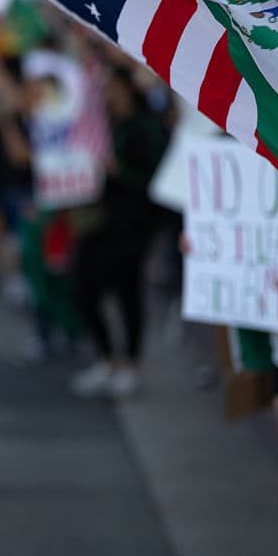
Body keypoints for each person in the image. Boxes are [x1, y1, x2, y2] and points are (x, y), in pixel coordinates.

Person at [69, 64, 169, 398]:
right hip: (100, 220)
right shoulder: (103, 125)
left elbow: (154, 178)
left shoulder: (145, 127)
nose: (107, 96)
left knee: (127, 290)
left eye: (111, 88)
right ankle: (107, 358)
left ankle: (130, 364)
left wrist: (118, 170)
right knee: (84, 286)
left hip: (134, 224)